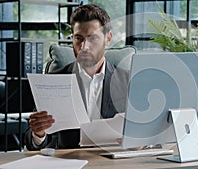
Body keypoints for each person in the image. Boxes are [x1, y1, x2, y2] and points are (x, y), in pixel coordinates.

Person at [24, 4, 129, 150]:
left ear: (108, 38)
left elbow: (147, 133)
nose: (84, 47)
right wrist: (39, 133)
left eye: (92, 39)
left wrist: (141, 142)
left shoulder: (128, 81)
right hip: (69, 161)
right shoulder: (54, 80)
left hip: (113, 161)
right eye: (78, 38)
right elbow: (34, 143)